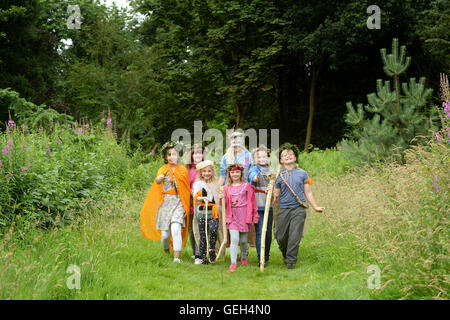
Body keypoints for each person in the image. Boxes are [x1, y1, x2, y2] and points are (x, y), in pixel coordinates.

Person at [273, 143, 325, 269]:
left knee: (294, 236)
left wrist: (315, 206)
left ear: (295, 157)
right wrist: (272, 189)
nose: (288, 156)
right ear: (281, 160)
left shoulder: (303, 173)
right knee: (280, 237)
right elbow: (276, 195)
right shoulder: (278, 176)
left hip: (298, 209)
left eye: (290, 154)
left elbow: (308, 192)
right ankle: (287, 255)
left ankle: (290, 262)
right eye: (284, 155)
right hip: (283, 209)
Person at [140, 141, 191, 263]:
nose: (172, 157)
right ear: (166, 157)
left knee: (176, 228)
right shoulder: (162, 169)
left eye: (174, 154)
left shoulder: (183, 170)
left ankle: (177, 258)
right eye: (169, 154)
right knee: (165, 235)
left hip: (179, 202)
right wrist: (159, 179)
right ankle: (166, 250)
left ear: (178, 156)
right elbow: (157, 182)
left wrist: (185, 207)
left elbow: (186, 190)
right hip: (166, 203)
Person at [219, 164, 259, 273]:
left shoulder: (246, 186)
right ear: (229, 174)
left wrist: (254, 216)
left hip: (244, 215)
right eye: (232, 172)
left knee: (243, 240)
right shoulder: (226, 188)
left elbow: (253, 202)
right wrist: (220, 199)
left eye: (237, 172)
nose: (235, 174)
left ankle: (244, 256)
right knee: (234, 239)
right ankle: (233, 262)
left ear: (241, 173)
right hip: (232, 216)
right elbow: (223, 204)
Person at [248, 145, 274, 267]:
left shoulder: (272, 170)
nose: (262, 159)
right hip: (259, 206)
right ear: (255, 158)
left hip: (270, 205)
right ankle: (261, 258)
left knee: (268, 232)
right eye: (259, 157)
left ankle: (266, 254)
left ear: (268, 157)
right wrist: (254, 178)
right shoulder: (254, 169)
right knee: (260, 231)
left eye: (264, 156)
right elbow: (252, 178)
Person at [192, 160, 221, 264]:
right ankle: (204, 256)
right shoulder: (198, 183)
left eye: (209, 171)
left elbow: (219, 194)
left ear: (212, 172)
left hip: (213, 212)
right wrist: (202, 198)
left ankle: (212, 250)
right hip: (202, 212)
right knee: (202, 234)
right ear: (201, 172)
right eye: (204, 171)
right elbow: (196, 196)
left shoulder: (216, 183)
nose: (207, 173)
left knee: (213, 231)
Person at [185, 144, 205, 264]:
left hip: (202, 202)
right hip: (190, 201)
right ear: (191, 155)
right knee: (191, 229)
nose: (198, 155)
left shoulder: (205, 168)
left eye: (200, 153)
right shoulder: (188, 170)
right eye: (195, 153)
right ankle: (194, 252)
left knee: (200, 227)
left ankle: (199, 252)